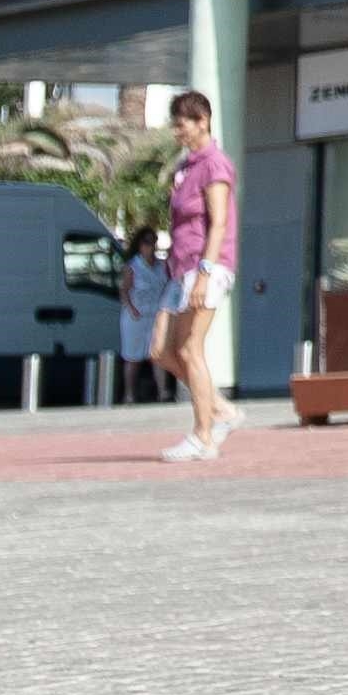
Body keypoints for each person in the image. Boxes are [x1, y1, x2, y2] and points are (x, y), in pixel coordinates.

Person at [155, 89, 242, 463]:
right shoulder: (185, 167)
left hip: (206, 266)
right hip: (179, 267)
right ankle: (221, 410)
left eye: (182, 125)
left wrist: (205, 274)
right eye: (174, 125)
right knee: (161, 350)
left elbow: (219, 223)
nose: (177, 132)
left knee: (191, 349)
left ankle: (203, 436)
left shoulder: (214, 165)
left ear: (202, 121)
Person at [116, 226, 167, 404]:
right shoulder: (133, 267)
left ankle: (162, 392)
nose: (150, 247)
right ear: (140, 245)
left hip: (155, 316)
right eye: (146, 243)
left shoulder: (162, 266)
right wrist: (132, 309)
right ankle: (129, 394)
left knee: (157, 355)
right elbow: (124, 290)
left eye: (153, 242)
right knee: (133, 358)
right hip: (136, 317)